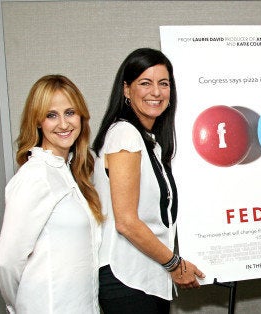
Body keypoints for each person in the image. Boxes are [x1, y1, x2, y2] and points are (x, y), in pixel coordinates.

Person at [92, 48, 205, 313]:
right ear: (126, 90)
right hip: (126, 279)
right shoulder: (125, 135)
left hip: (145, 278)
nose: (156, 92)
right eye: (145, 82)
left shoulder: (149, 142)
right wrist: (176, 264)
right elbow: (127, 223)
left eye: (163, 83)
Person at [0, 75, 103, 313]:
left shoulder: (70, 174)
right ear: (38, 122)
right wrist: (21, 304)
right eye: (51, 115)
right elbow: (6, 261)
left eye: (70, 112)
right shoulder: (35, 176)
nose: (63, 124)